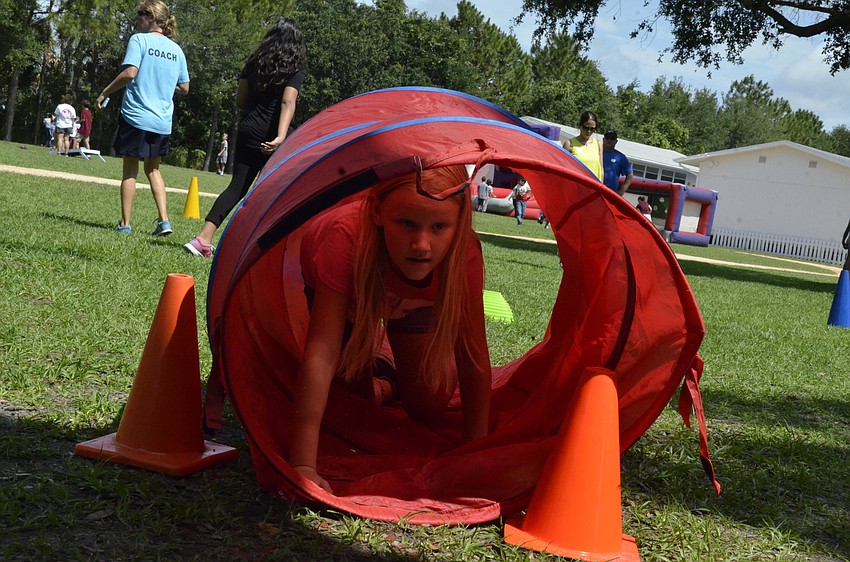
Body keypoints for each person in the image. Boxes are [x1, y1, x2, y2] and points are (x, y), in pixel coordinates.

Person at [290, 165, 492, 493]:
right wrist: (302, 464)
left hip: (413, 302)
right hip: (352, 294)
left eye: (439, 226)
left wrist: (474, 453)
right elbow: (321, 353)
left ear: (459, 225)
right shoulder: (345, 238)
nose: (422, 244)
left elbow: (472, 356)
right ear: (378, 212)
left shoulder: (464, 254)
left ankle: (388, 378)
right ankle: (376, 371)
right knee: (349, 407)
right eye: (407, 224)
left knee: (429, 404)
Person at [184, 17, 306, 257]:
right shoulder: (295, 67)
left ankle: (202, 239)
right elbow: (287, 101)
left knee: (236, 188)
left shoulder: (253, 62)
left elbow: (240, 100)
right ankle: (260, 248)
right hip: (275, 136)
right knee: (275, 192)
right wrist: (281, 136)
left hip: (249, 129)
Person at [96, 0, 190, 236]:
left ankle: (125, 224)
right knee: (153, 170)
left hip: (136, 116)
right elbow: (185, 87)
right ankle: (164, 221)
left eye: (139, 14)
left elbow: (130, 73)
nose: (136, 18)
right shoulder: (176, 50)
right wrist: (165, 86)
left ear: (150, 17)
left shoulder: (139, 40)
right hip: (161, 121)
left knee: (130, 170)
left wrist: (105, 91)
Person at [563, 111, 603, 180]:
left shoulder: (598, 144)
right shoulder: (569, 144)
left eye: (592, 129)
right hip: (576, 186)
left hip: (594, 187)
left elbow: (601, 169)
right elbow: (563, 168)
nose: (589, 131)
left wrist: (601, 187)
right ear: (580, 125)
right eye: (586, 127)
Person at [601, 129, 633, 196]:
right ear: (603, 139)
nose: (609, 140)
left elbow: (630, 175)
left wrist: (620, 192)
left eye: (612, 138)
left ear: (616, 141)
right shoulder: (596, 152)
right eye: (607, 138)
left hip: (610, 194)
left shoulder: (620, 157)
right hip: (594, 189)